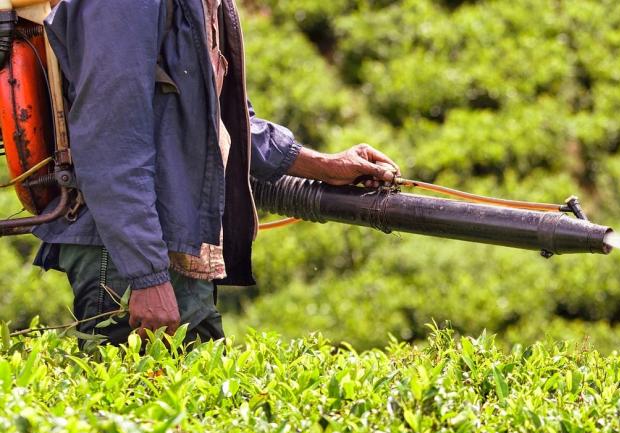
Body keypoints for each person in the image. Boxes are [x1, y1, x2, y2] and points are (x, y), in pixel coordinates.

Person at [33, 0, 400, 344]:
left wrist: (324, 166)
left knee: (198, 405)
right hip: (123, 257)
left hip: (172, 246)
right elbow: (112, 142)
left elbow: (219, 118)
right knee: (133, 406)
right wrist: (147, 276)